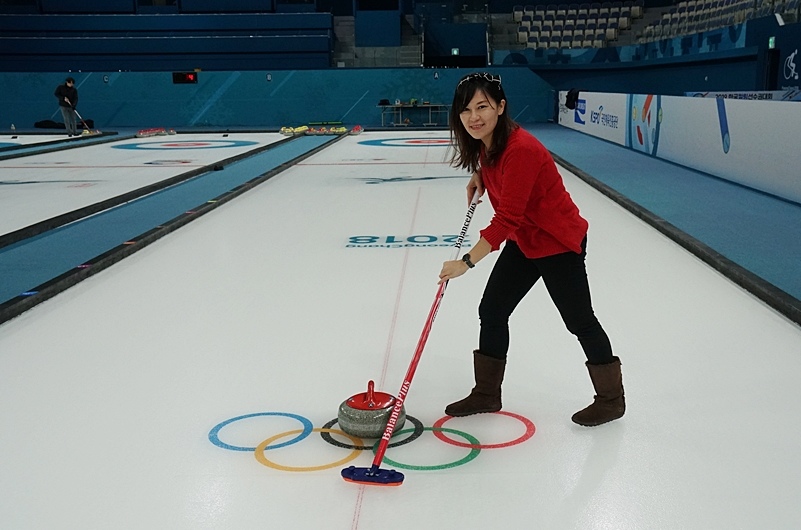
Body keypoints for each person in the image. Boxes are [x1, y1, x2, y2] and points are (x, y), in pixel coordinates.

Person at [438, 72, 625, 427]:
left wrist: (466, 261)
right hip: (528, 239)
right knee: (492, 309)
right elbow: (501, 179)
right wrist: (480, 175)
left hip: (557, 241)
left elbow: (506, 218)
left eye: (482, 107)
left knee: (579, 321)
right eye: (466, 110)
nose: (474, 117)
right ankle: (487, 393)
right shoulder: (487, 141)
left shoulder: (521, 149)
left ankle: (611, 400)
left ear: (501, 107)